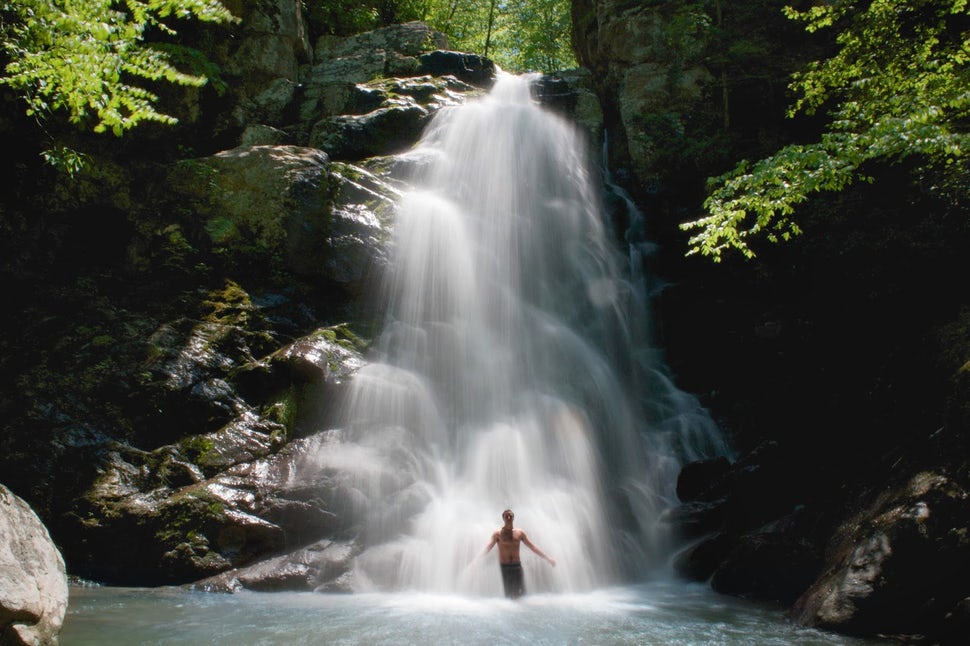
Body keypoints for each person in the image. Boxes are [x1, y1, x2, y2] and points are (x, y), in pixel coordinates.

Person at [481, 509, 556, 599]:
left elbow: (533, 547)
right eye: (506, 516)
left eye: (510, 516)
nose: (509, 518)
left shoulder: (520, 533)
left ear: (513, 518)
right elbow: (488, 548)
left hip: (516, 566)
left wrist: (548, 558)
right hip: (505, 567)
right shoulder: (497, 534)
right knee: (509, 595)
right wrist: (476, 560)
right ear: (503, 518)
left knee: (519, 595)